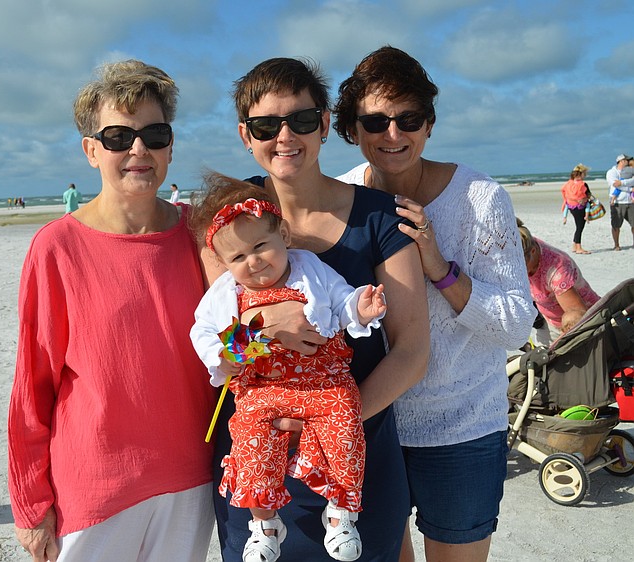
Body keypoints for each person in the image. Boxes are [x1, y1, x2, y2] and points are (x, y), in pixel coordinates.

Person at [210, 56, 430, 562]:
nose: (285, 136)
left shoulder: (378, 216)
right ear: (247, 135)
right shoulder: (230, 220)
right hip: (260, 450)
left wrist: (331, 422)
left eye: (302, 120)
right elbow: (219, 348)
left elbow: (412, 350)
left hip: (355, 446)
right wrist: (261, 326)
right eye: (266, 125)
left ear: (326, 124)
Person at [7, 60, 216, 562]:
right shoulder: (56, 247)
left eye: (153, 134)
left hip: (192, 478)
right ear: (91, 150)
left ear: (170, 145)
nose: (137, 149)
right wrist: (31, 503)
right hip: (95, 488)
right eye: (119, 136)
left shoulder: (203, 235)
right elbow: (32, 386)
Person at [333, 46, 534, 562]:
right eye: (375, 121)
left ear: (430, 124)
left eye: (409, 118)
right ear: (353, 130)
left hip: (462, 427)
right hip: (377, 422)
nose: (393, 134)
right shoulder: (344, 199)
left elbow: (517, 323)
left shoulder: (479, 198)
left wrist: (440, 269)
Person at [191, 174, 388, 562]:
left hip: (323, 381)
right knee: (248, 436)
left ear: (282, 232)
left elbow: (342, 301)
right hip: (262, 386)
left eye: (261, 245)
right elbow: (205, 332)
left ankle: (341, 513)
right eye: (238, 258)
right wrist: (231, 353)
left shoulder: (310, 269)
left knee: (346, 423)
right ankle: (264, 523)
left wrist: (361, 310)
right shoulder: (227, 292)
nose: (254, 261)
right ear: (224, 262)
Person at [517, 218, 600, 345]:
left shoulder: (557, 271)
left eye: (520, 265)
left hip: (578, 323)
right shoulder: (523, 243)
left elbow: (577, 316)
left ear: (533, 252)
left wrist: (559, 345)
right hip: (548, 320)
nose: (517, 270)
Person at [560, 164, 593, 254]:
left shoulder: (568, 184)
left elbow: (566, 195)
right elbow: (588, 195)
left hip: (571, 207)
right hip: (580, 207)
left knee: (578, 226)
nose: (585, 175)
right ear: (581, 173)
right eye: (584, 173)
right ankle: (579, 247)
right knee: (580, 227)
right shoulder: (583, 184)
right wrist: (586, 199)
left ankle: (574, 245)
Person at [606, 154, 634, 251]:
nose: (628, 162)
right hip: (618, 202)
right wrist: (630, 188)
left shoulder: (630, 171)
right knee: (616, 224)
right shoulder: (611, 172)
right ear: (622, 161)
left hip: (630, 201)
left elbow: (631, 181)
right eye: (626, 160)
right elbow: (615, 185)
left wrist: (622, 183)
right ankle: (616, 244)